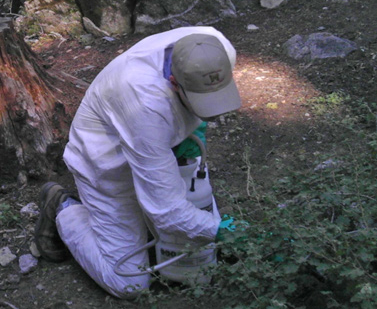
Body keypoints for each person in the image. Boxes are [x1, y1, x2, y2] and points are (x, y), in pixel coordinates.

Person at [34, 26, 242, 298]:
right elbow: (168, 212)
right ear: (174, 82)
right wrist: (227, 233)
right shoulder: (143, 101)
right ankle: (64, 208)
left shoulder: (216, 46)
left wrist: (187, 131)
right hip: (106, 164)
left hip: (154, 145)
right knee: (129, 284)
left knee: (196, 233)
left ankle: (141, 218)